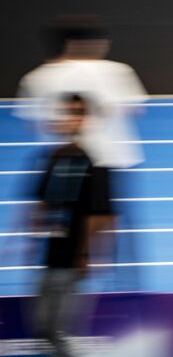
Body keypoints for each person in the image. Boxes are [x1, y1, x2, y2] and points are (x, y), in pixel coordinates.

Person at [15, 15, 146, 289]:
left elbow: (32, 123)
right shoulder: (117, 71)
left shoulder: (37, 77)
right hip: (111, 163)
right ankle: (122, 296)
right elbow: (136, 108)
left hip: (64, 165)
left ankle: (56, 289)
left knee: (60, 234)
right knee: (109, 238)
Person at [32, 94, 115, 357]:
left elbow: (100, 214)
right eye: (67, 113)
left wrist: (86, 254)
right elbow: (41, 202)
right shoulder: (54, 157)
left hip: (72, 260)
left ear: (86, 120)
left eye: (78, 113)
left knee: (60, 332)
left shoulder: (94, 163)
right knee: (44, 325)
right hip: (51, 254)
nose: (71, 119)